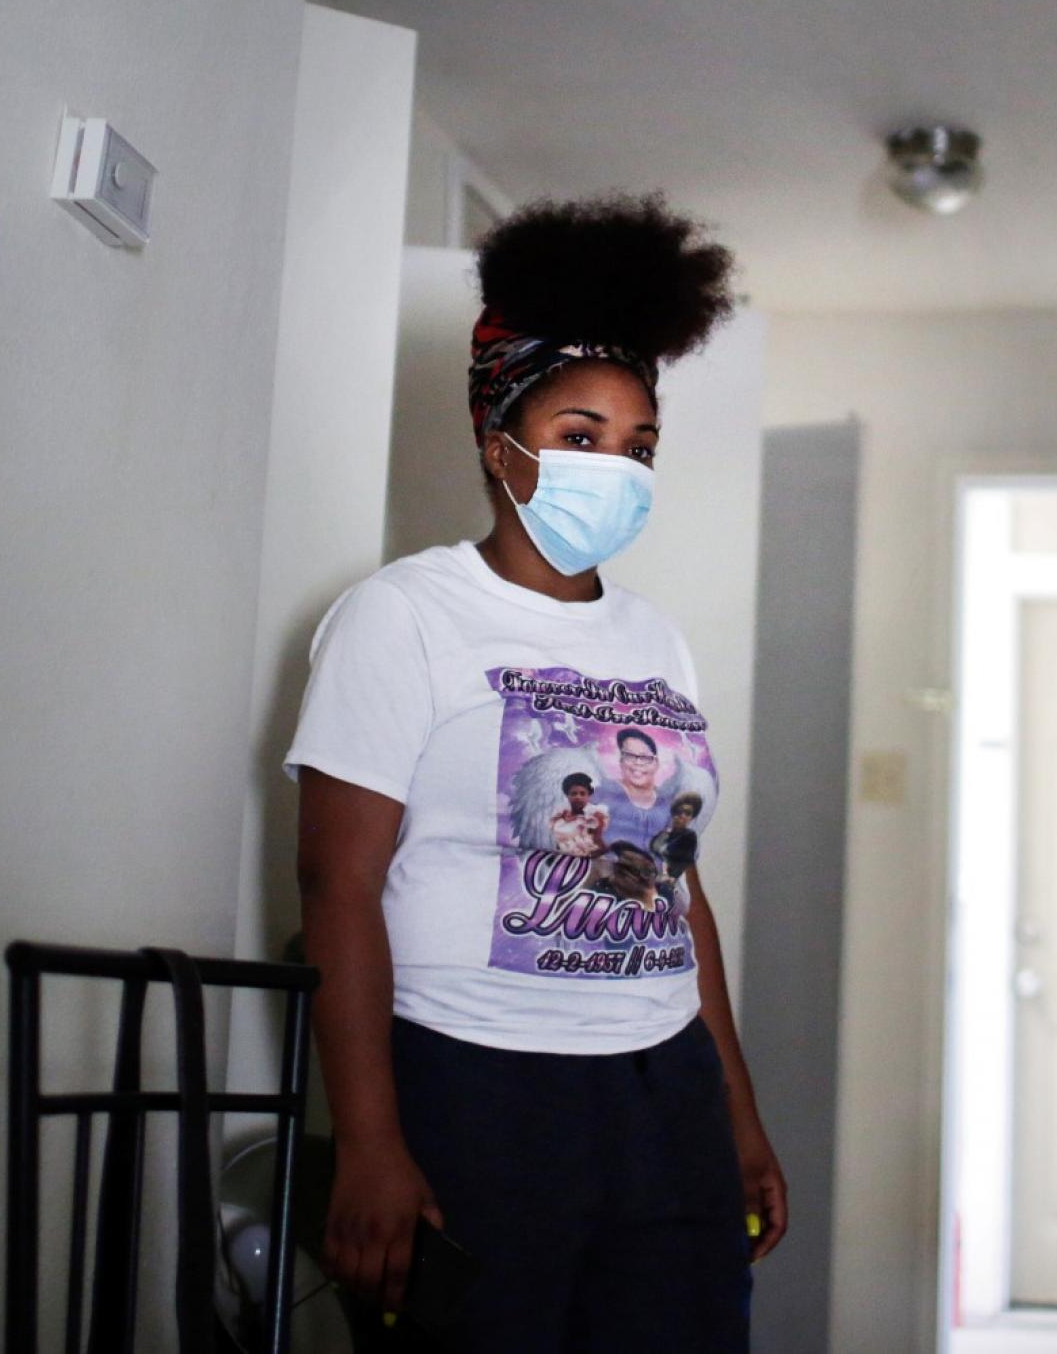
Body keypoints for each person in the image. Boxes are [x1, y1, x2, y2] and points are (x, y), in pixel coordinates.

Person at [287, 194, 786, 1353]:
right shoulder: (401, 615)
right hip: (475, 1082)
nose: (615, 465)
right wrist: (367, 1138)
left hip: (662, 1088)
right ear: (495, 437)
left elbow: (674, 885)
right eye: (580, 433)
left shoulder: (655, 641)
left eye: (638, 444)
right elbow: (335, 886)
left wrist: (735, 1110)